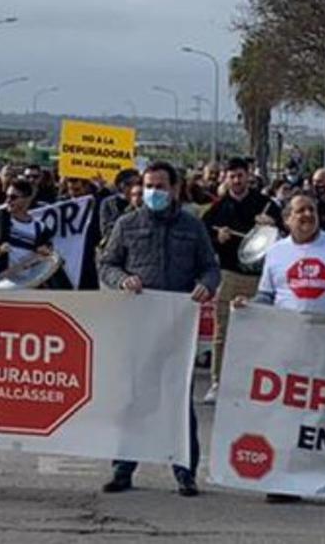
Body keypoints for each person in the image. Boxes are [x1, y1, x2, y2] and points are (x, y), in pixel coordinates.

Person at [231, 193, 325, 509]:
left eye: (311, 209)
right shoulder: (277, 252)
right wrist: (250, 307)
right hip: (288, 347)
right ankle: (285, 482)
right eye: (299, 211)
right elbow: (267, 295)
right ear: (286, 220)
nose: (306, 215)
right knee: (287, 416)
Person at [98, 161, 219, 498]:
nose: (154, 192)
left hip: (177, 325)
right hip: (139, 324)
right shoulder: (127, 224)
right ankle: (123, 469)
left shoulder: (192, 227)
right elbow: (107, 263)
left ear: (175, 188)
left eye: (160, 186)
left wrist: (205, 286)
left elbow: (210, 268)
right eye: (149, 186)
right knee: (134, 397)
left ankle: (185, 471)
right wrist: (122, 279)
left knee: (179, 400)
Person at [200, 157, 282, 405]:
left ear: (248, 176)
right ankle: (218, 381)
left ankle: (261, 382)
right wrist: (218, 241)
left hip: (261, 278)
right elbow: (204, 243)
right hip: (229, 275)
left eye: (240, 175)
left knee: (262, 332)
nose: (236, 180)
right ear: (226, 178)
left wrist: (273, 227)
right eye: (232, 176)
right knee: (222, 331)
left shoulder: (267, 205)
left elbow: (287, 238)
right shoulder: (216, 209)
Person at [0, 178, 55, 273]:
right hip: (4, 280)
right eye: (7, 196)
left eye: (13, 197)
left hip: (29, 283)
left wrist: (44, 251)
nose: (8, 201)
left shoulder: (40, 228)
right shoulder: (0, 218)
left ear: (27, 199)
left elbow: (49, 253)